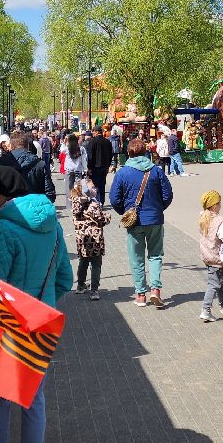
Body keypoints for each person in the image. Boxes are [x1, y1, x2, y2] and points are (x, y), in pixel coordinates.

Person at [0, 166, 73, 443]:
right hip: (42, 326)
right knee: (34, 400)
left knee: (1, 402)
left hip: (8, 329)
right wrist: (43, 303)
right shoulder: (52, 226)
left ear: (2, 195)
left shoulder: (3, 230)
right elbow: (65, 279)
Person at [110, 137, 174, 308]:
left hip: (134, 221)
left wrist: (125, 212)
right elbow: (168, 195)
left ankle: (140, 295)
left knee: (136, 258)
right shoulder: (156, 171)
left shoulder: (123, 172)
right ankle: (155, 290)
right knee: (155, 255)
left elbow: (114, 199)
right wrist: (158, 209)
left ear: (129, 153)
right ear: (145, 152)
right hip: (154, 219)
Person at [70, 178, 108, 300]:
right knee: (96, 265)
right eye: (92, 187)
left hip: (82, 240)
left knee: (83, 262)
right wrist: (108, 217)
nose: (95, 189)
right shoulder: (94, 204)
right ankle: (94, 290)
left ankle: (80, 286)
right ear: (86, 190)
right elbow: (101, 220)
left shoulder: (75, 203)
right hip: (95, 240)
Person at [197, 190, 223, 323]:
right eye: (219, 203)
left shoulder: (202, 217)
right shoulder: (220, 220)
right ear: (214, 205)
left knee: (218, 281)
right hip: (216, 257)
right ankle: (206, 310)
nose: (221, 205)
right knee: (213, 284)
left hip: (206, 256)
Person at [0, 129, 56, 204]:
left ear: (11, 145)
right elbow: (50, 193)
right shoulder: (40, 163)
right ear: (27, 145)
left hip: (12, 207)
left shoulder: (2, 162)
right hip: (35, 206)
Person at [85, 125, 114, 207]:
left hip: (95, 167)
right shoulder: (107, 142)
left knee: (95, 185)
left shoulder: (92, 141)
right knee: (102, 184)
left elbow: (90, 156)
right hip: (104, 167)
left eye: (93, 132)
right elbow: (110, 155)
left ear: (97, 132)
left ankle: (97, 201)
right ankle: (102, 201)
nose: (93, 133)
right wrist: (108, 165)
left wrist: (89, 167)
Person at [63, 133, 87, 206]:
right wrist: (85, 169)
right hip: (78, 170)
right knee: (78, 187)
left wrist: (64, 142)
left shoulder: (67, 148)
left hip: (69, 170)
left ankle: (69, 204)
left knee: (69, 187)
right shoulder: (81, 148)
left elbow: (61, 150)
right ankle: (78, 203)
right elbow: (84, 160)